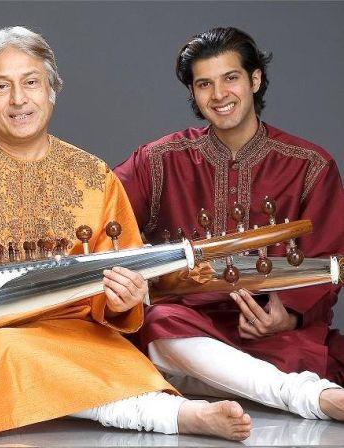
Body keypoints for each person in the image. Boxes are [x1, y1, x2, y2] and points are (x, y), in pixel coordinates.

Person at [0, 26, 252, 442]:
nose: (19, 100)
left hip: (73, 334)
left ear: (52, 90)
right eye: (2, 86)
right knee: (11, 352)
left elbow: (124, 285)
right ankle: (177, 416)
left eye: (31, 83)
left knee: (115, 354)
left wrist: (124, 301)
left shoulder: (95, 177)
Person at [114, 27, 344, 420]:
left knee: (303, 352)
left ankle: (203, 383)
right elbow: (102, 210)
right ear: (193, 93)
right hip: (185, 326)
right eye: (204, 84)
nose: (219, 95)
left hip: (273, 333)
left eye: (230, 78)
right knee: (158, 324)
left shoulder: (309, 166)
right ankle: (303, 396)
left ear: (254, 79)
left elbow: (329, 258)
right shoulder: (159, 160)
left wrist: (285, 315)